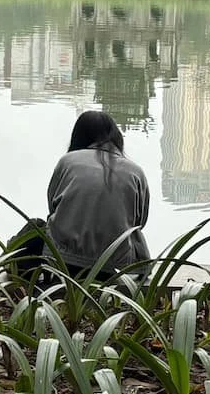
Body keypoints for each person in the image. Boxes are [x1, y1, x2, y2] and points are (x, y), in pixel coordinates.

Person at [44, 110, 150, 276]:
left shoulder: (67, 162)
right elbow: (140, 221)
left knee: (36, 228)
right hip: (115, 266)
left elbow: (53, 207)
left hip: (63, 261)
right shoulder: (136, 172)